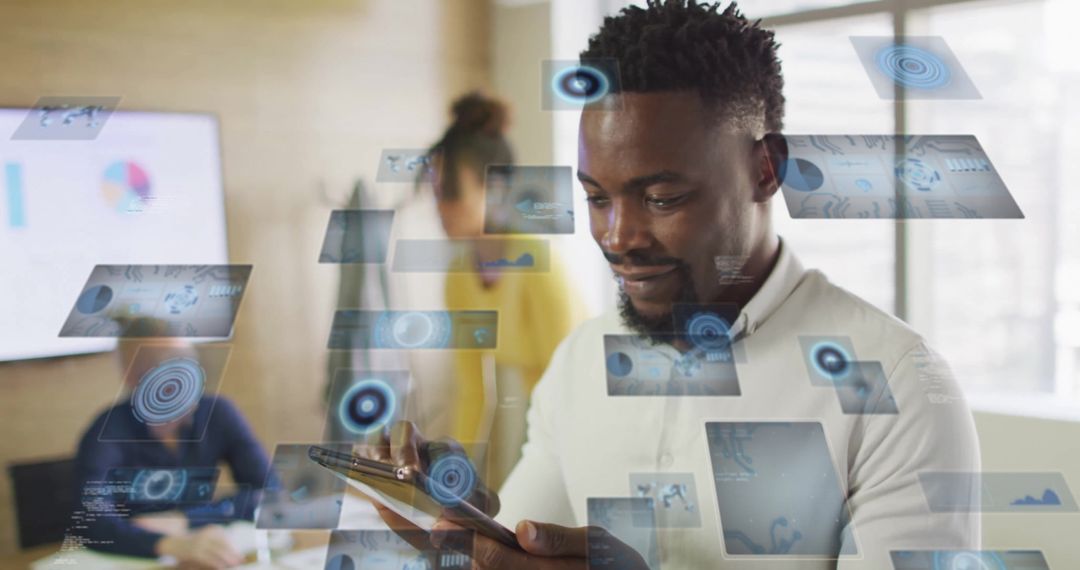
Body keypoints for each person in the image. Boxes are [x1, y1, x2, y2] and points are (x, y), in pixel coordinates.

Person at [372, 2, 980, 568]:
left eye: (662, 197)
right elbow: (531, 542)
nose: (618, 236)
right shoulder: (581, 362)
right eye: (596, 198)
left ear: (766, 169)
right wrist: (462, 531)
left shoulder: (899, 388)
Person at [424, 92, 583, 489]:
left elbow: (566, 385)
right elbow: (472, 391)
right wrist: (451, 474)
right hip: (543, 414)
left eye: (449, 191)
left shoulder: (536, 261)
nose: (439, 207)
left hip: (582, 411)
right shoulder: (458, 277)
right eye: (434, 191)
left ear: (494, 188)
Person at [71, 336, 270, 569]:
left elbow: (271, 493)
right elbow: (91, 522)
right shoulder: (106, 432)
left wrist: (187, 519)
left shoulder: (219, 413)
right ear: (132, 378)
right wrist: (169, 544)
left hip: (210, 555)